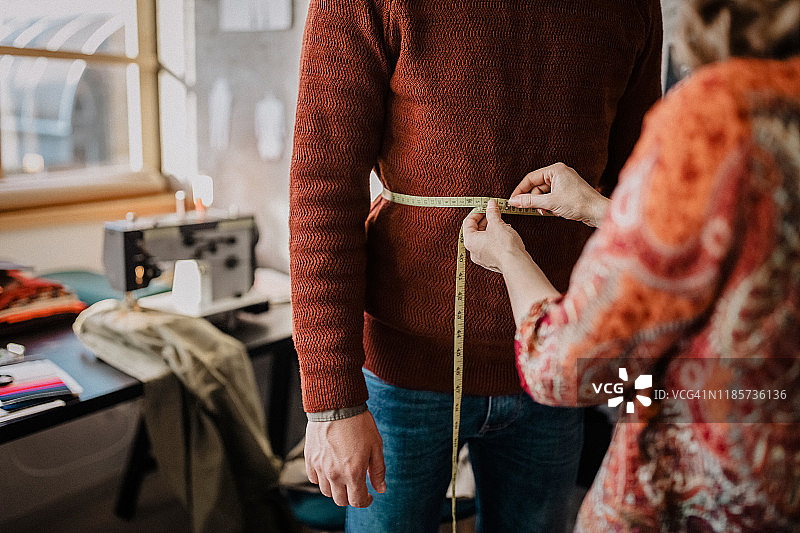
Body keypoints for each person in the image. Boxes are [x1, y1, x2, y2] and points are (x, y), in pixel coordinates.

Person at [289, 1, 663, 531]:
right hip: (403, 372)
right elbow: (322, 195)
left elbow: (635, 187)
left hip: (554, 363)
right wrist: (332, 401)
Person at [462, 0, 800, 530]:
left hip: (703, 504)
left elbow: (568, 369)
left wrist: (509, 257)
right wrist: (603, 211)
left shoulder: (720, 114)